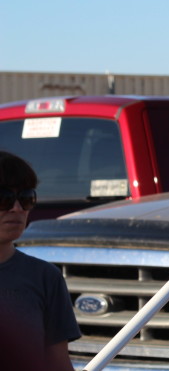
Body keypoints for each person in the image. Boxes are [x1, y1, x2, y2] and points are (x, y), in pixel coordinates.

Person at [0, 151, 81, 371]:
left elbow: (59, 364)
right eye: (3, 198)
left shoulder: (45, 277)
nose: (16, 208)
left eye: (26, 197)